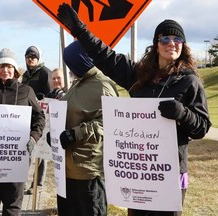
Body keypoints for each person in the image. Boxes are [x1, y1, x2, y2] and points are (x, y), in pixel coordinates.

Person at [57, 3, 212, 215]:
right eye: (165, 39)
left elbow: (202, 127)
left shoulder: (190, 81)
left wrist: (181, 113)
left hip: (169, 172)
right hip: (137, 169)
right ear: (156, 44)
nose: (171, 44)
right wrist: (79, 30)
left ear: (183, 46)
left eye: (177, 40)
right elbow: (105, 56)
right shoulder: (139, 77)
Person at [0, 48, 45, 216]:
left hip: (16, 159)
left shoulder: (26, 91)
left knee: (12, 207)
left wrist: (33, 137)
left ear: (15, 69)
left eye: (9, 66)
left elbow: (40, 118)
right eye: (1, 66)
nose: (5, 70)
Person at [53, 40, 119, 216]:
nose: (70, 70)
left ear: (80, 60)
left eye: (71, 64)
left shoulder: (103, 86)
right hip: (67, 170)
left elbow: (110, 123)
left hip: (88, 172)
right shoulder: (78, 82)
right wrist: (54, 134)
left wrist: (76, 134)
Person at [22, 45, 52, 194]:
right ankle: (21, 180)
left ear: (38, 58)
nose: (30, 59)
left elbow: (50, 94)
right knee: (28, 149)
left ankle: (37, 184)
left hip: (41, 116)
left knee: (41, 151)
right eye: (28, 57)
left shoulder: (45, 73)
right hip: (26, 116)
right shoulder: (25, 75)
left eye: (33, 57)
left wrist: (42, 98)